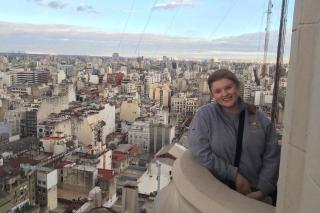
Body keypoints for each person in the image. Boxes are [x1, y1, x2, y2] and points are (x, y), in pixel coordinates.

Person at [188, 69, 280, 202]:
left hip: (256, 193)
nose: (224, 94)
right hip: (220, 192)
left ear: (237, 87)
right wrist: (234, 175)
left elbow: (271, 155)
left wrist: (262, 190)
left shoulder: (260, 118)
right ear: (213, 95)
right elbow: (200, 151)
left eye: (228, 88)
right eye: (218, 91)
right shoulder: (205, 115)